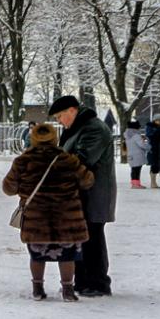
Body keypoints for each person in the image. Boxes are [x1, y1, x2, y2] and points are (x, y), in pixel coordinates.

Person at [2, 122, 95, 302]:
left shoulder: (23, 161)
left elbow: (8, 188)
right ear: (55, 138)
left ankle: (38, 289)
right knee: (67, 255)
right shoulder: (68, 160)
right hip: (66, 218)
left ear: (33, 138)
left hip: (36, 220)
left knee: (37, 255)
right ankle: (68, 290)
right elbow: (87, 181)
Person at [50, 95, 115, 298]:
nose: (60, 121)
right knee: (82, 237)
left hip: (93, 194)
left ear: (72, 110)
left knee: (92, 237)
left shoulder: (93, 129)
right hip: (81, 194)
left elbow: (81, 160)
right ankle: (83, 281)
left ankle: (97, 282)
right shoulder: (78, 129)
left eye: (61, 116)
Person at [123, 120, 149, 188]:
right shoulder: (136, 135)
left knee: (134, 170)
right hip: (137, 155)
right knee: (137, 170)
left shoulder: (127, 136)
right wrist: (148, 146)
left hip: (131, 155)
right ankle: (136, 184)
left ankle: (135, 183)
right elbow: (142, 145)